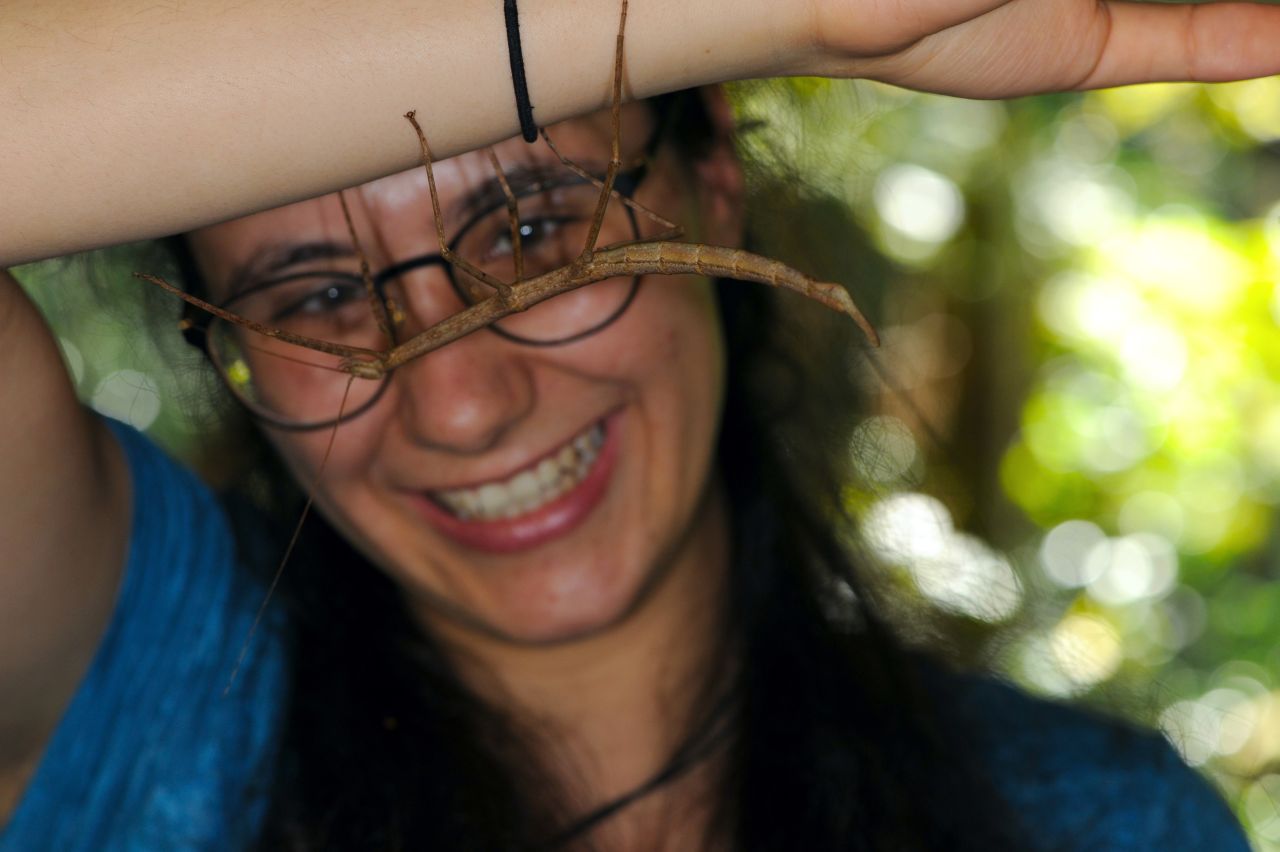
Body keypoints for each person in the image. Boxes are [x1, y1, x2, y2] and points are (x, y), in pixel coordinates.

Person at [3, 1, 1279, 849]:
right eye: (317, 296)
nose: (458, 401)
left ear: (711, 181)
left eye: (529, 228)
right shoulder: (156, 700)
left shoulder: (1093, 825)